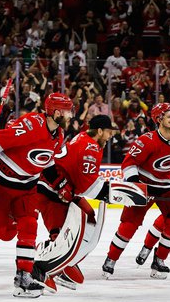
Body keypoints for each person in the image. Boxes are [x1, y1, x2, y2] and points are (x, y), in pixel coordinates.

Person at [0, 93, 74, 298]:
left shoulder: (58, 135)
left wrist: (60, 184)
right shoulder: (32, 125)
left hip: (28, 188)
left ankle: (23, 276)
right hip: (1, 185)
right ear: (56, 112)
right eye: (67, 111)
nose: (70, 115)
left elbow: (46, 161)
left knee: (29, 226)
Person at [102, 103, 170, 280]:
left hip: (168, 187)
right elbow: (129, 163)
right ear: (158, 119)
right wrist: (135, 185)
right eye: (168, 115)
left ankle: (159, 261)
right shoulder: (147, 140)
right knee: (129, 225)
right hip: (146, 186)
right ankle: (111, 259)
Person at [35, 114, 116, 290]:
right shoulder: (91, 148)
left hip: (64, 190)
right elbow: (86, 185)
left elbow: (82, 180)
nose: (111, 136)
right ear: (100, 131)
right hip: (51, 191)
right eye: (108, 132)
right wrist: (110, 193)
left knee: (89, 217)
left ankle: (67, 263)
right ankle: (40, 268)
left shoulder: (86, 139)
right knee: (59, 236)